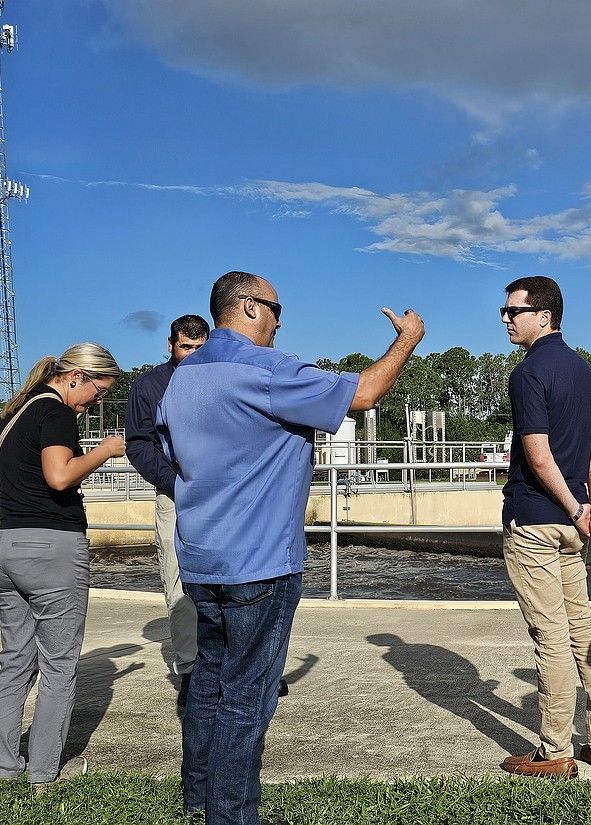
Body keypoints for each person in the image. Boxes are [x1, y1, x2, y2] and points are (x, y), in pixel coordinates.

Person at [156, 271, 424, 825]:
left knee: (208, 682)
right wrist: (407, 340)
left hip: (200, 558)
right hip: (259, 563)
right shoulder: (268, 371)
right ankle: (231, 816)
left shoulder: (182, 378)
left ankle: (198, 799)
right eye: (277, 310)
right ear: (251, 307)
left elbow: (169, 452)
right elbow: (364, 394)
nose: (280, 323)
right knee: (246, 698)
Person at [497, 275, 591, 780]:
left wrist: (576, 510)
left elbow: (538, 455)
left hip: (535, 521)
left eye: (514, 311)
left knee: (550, 635)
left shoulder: (528, 373)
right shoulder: (584, 372)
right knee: (581, 628)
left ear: (543, 316)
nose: (506, 319)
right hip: (573, 527)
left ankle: (554, 752)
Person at [0, 343, 127, 790]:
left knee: (15, 663)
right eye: (99, 392)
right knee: (59, 667)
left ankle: (4, 768)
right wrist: (106, 450)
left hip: (5, 545)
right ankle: (44, 774)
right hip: (50, 549)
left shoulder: (16, 411)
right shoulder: (56, 413)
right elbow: (60, 476)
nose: (95, 402)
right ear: (76, 376)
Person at [125, 314, 209, 706]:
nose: (192, 353)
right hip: (175, 495)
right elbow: (138, 443)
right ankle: (190, 670)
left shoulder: (225, 377)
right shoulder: (148, 385)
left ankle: (242, 669)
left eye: (199, 347)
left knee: (236, 581)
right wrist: (175, 483)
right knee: (177, 582)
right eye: (185, 347)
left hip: (224, 495)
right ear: (171, 345)